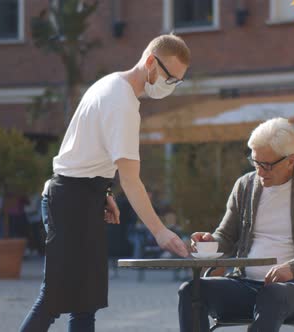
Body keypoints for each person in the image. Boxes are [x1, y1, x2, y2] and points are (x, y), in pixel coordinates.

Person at [20, 34, 190, 332]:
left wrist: (102, 189)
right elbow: (132, 181)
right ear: (150, 62)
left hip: (82, 193)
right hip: (70, 201)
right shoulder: (122, 103)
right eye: (169, 77)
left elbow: (88, 148)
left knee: (86, 304)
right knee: (53, 299)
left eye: (177, 81)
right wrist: (160, 232)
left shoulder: (110, 83)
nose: (170, 86)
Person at [179, 118, 294, 332]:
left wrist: (293, 267)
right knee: (190, 291)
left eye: (267, 165)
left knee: (272, 294)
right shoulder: (245, 185)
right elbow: (226, 237)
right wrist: (210, 242)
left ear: (291, 161)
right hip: (245, 284)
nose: (260, 172)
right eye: (255, 162)